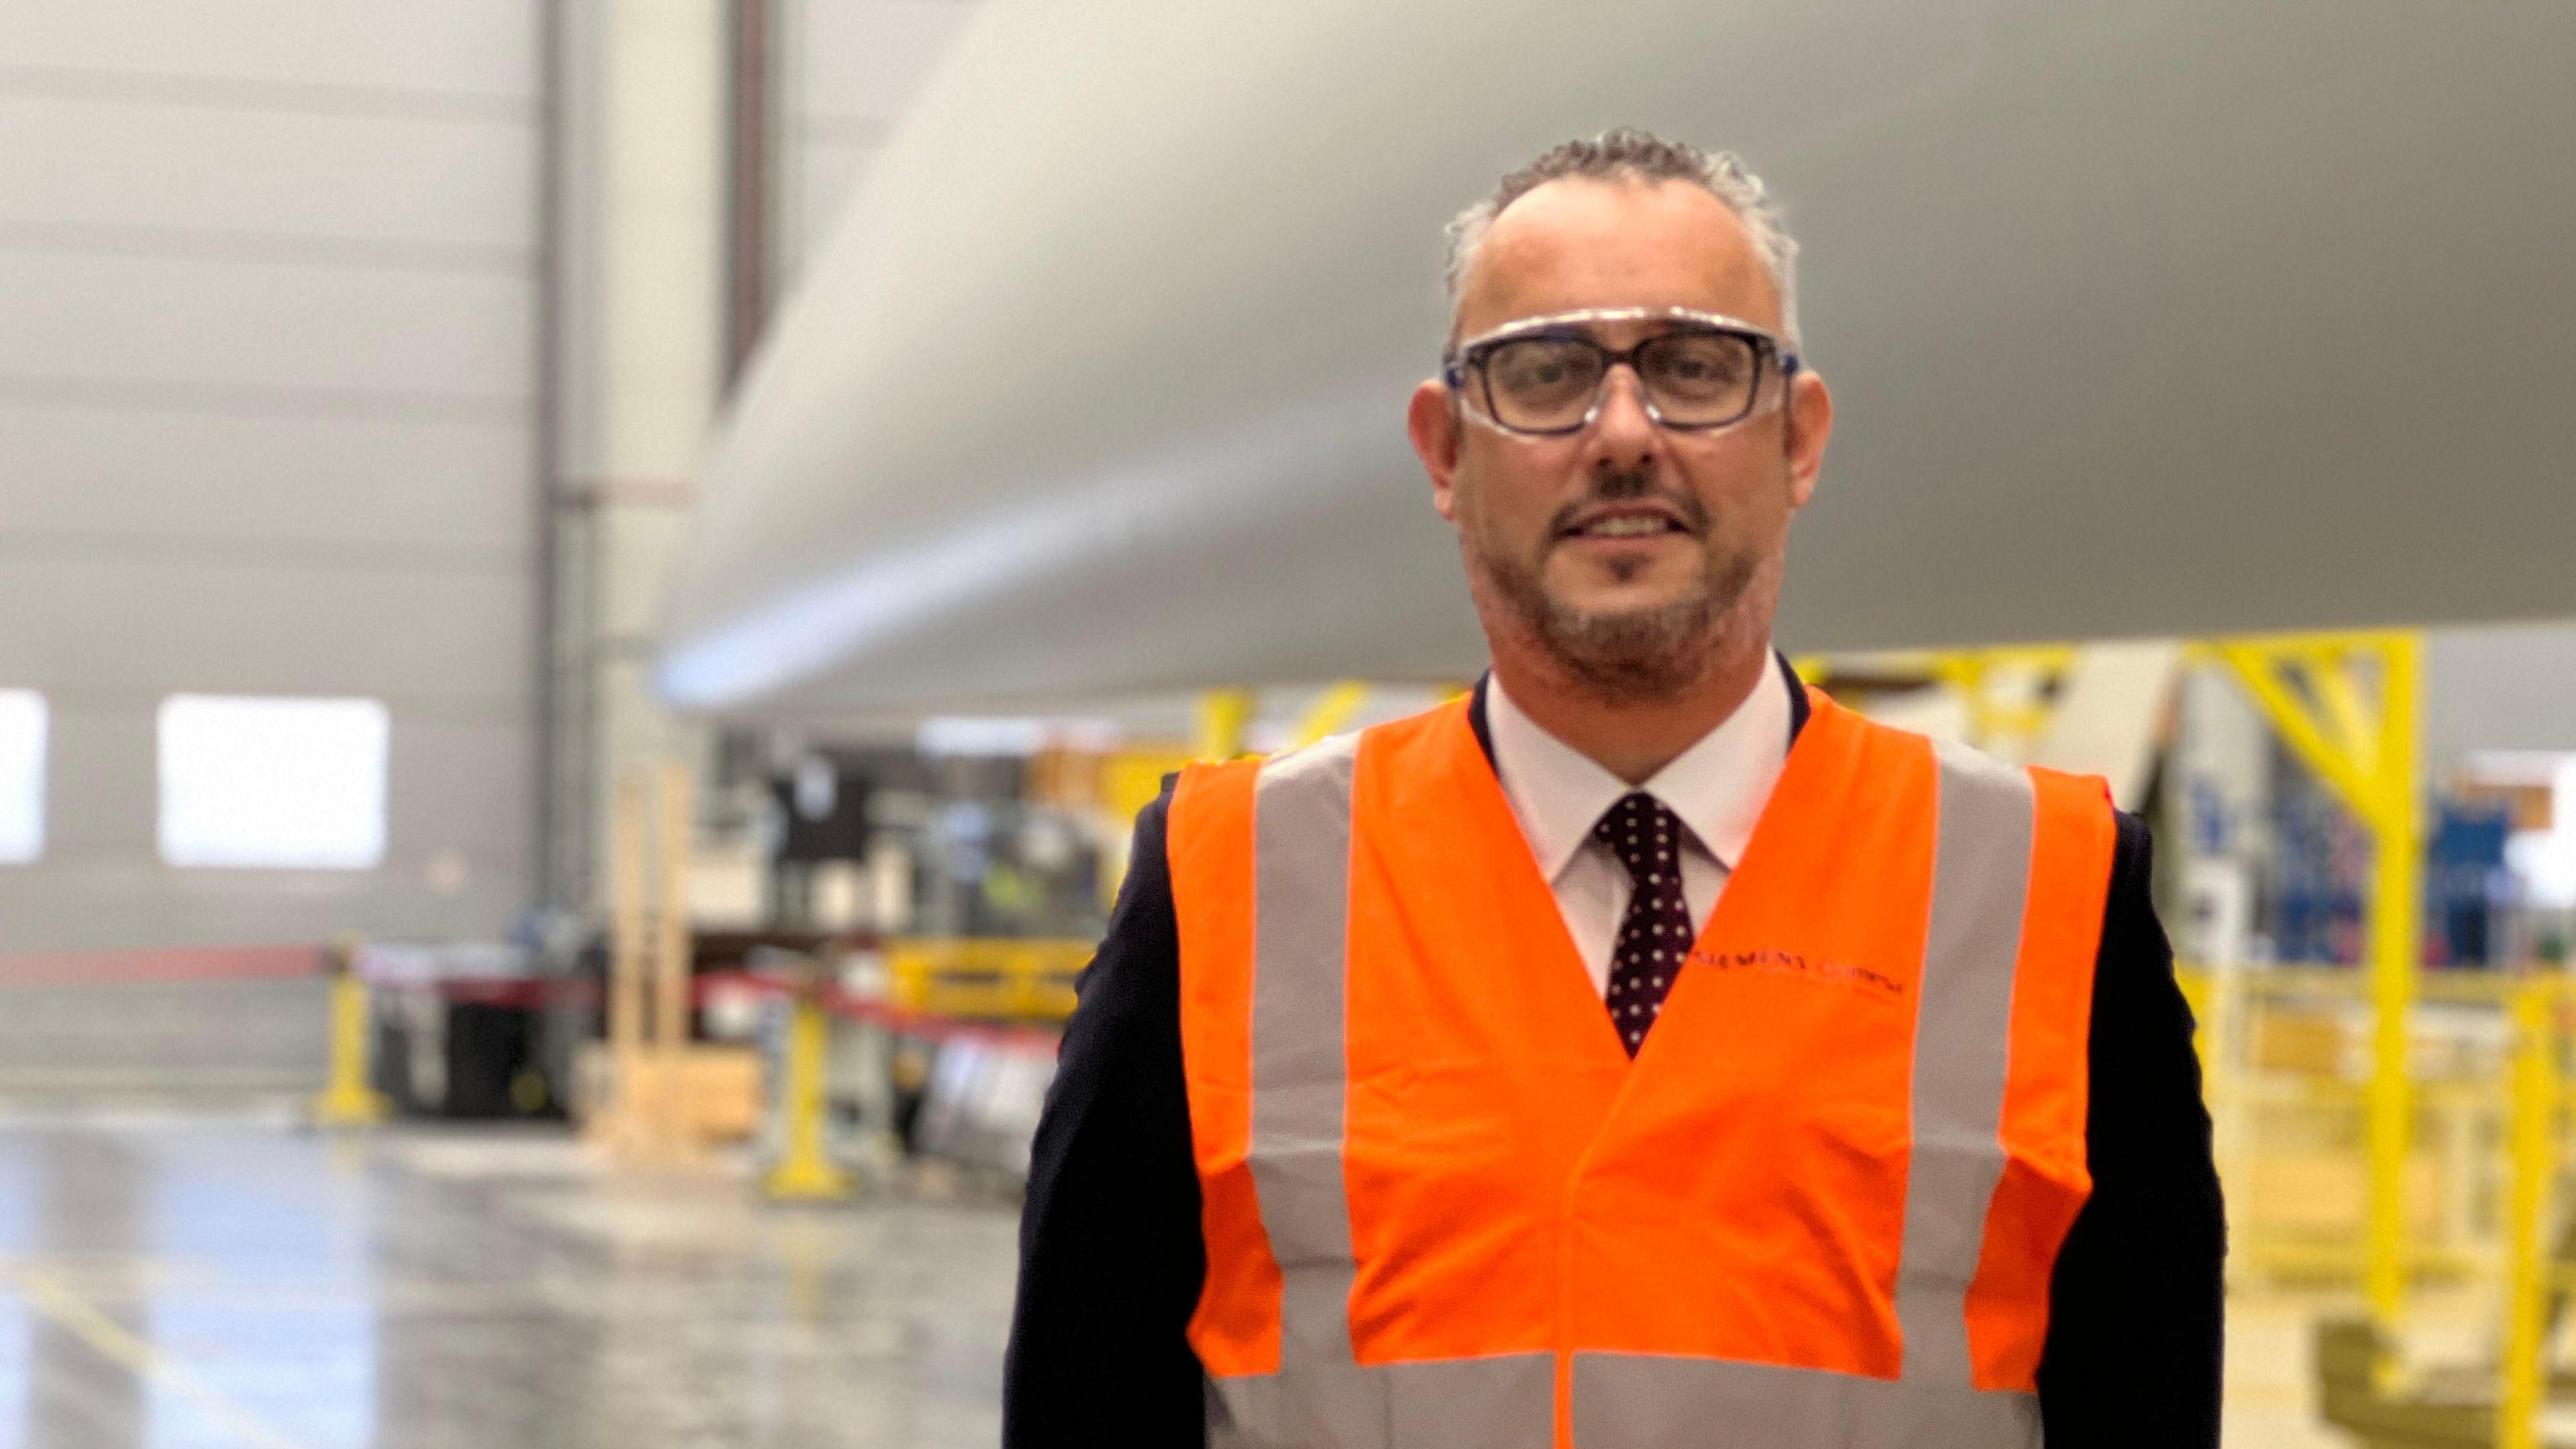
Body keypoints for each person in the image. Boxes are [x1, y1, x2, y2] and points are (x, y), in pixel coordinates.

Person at [1004, 128, 2221, 1448]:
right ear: (1444, 452)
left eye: (1698, 367)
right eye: (1546, 372)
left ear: (1800, 440)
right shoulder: (1226, 886)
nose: (1626, 430)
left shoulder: (2047, 892)